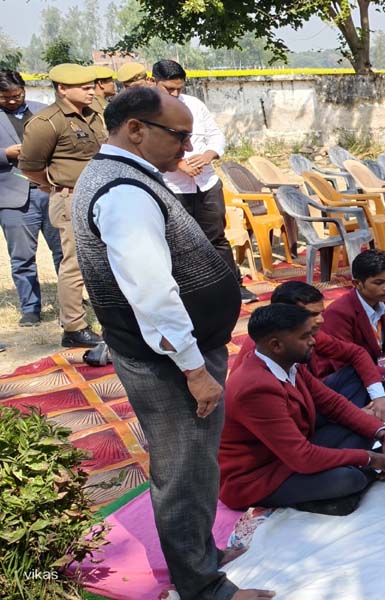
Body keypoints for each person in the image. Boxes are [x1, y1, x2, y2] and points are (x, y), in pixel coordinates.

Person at [71, 87, 272, 599]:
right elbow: (152, 293)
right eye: (178, 136)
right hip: (168, 362)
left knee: (197, 463)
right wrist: (194, 369)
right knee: (183, 470)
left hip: (173, 355)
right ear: (136, 129)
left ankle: (200, 555)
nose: (187, 148)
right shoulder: (123, 192)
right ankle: (204, 587)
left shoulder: (129, 177)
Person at [220, 304, 385, 514]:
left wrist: (382, 431)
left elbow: (334, 405)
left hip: (287, 456)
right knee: (349, 479)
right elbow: (303, 457)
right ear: (276, 345)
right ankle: (345, 484)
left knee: (362, 431)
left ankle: (343, 485)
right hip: (257, 478)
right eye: (305, 337)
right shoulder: (255, 388)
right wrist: (370, 459)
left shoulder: (289, 364)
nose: (313, 341)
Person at [152, 60, 256, 304]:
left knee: (217, 237)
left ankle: (233, 287)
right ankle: (190, 293)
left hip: (206, 183)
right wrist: (179, 165)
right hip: (173, 187)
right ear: (154, 82)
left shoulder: (194, 105)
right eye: (169, 89)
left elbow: (215, 136)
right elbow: (149, 150)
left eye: (179, 88)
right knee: (178, 242)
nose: (175, 94)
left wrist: (209, 155)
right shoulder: (147, 112)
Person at [17, 63, 105, 348]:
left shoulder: (96, 114)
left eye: (93, 85)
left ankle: (111, 315)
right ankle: (74, 327)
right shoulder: (47, 122)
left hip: (103, 195)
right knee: (74, 263)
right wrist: (55, 184)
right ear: (62, 89)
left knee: (107, 259)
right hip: (70, 198)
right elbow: (30, 167)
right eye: (85, 87)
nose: (92, 90)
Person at [229, 281, 385, 420]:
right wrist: (356, 417)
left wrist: (378, 398)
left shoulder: (306, 334)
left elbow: (355, 353)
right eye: (312, 314)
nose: (321, 320)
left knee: (384, 385)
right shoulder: (262, 352)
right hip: (289, 416)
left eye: (321, 313)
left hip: (312, 397)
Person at [0, 69, 61, 328]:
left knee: (63, 252)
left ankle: (70, 302)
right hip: (13, 198)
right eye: (6, 97)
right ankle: (30, 309)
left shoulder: (43, 111)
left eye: (18, 95)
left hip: (50, 190)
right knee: (22, 258)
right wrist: (5, 153)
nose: (14, 100)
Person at [314, 250, 385, 390]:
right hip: (352, 376)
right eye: (379, 283)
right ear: (357, 283)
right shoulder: (339, 313)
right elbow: (348, 366)